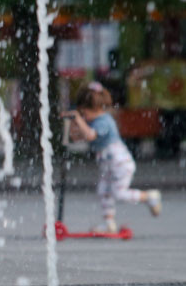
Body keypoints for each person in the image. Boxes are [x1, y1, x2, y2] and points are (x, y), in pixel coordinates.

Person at [62, 82, 162, 233]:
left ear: (94, 109)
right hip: (109, 165)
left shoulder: (104, 122)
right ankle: (109, 223)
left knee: (118, 193)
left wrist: (78, 119)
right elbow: (78, 136)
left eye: (85, 114)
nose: (84, 117)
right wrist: (72, 125)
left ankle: (149, 196)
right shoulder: (95, 121)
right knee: (104, 191)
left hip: (120, 164)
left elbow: (89, 135)